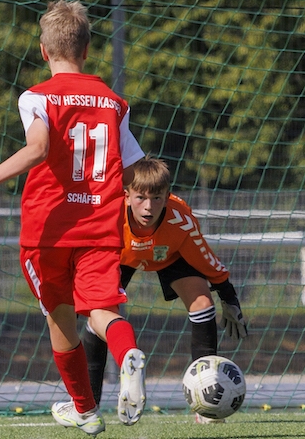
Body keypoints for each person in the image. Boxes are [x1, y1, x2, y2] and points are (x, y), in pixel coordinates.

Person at [0, 0, 148, 437]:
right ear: (87, 49)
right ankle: (128, 356)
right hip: (100, 228)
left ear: (44, 51)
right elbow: (132, 171)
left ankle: (86, 411)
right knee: (101, 311)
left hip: (48, 231)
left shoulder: (37, 97)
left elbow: (39, 148)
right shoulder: (114, 104)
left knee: (59, 318)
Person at [81, 156, 248, 423]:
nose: (149, 207)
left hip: (170, 256)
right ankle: (89, 406)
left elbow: (206, 260)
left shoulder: (180, 220)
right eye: (141, 198)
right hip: (119, 256)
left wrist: (229, 297)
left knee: (203, 303)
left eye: (157, 198)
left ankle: (207, 403)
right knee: (100, 314)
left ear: (167, 197)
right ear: (126, 196)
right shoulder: (109, 216)